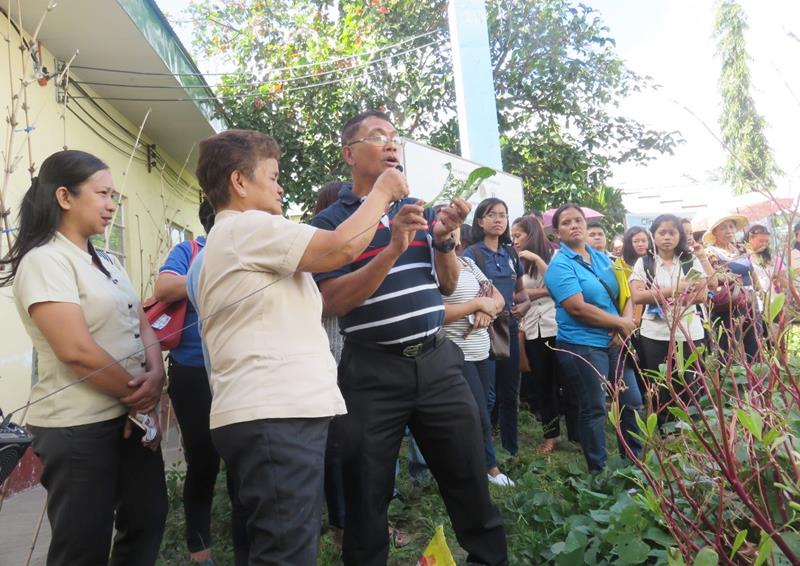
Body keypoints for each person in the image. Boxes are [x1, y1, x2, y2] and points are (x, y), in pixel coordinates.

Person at [194, 128, 409, 565]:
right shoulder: (248, 227)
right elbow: (342, 246)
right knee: (286, 553)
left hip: (271, 414)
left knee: (273, 545)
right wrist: (383, 192)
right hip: (275, 414)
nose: (280, 186)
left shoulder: (237, 237)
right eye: (272, 176)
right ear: (239, 182)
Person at [311, 110, 507, 566]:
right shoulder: (329, 225)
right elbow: (333, 302)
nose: (391, 144)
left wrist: (443, 242)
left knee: (468, 474)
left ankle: (489, 558)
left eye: (395, 137)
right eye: (376, 136)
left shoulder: (417, 207)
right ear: (349, 154)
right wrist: (394, 247)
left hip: (438, 361)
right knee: (367, 490)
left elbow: (445, 283)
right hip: (372, 371)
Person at [2, 150, 167, 565]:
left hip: (128, 416)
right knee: (83, 545)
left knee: (148, 518)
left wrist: (157, 372)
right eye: (103, 194)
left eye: (114, 195)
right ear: (64, 197)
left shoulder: (107, 261)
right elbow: (75, 352)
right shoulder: (45, 261)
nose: (112, 205)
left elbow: (140, 321)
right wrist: (140, 396)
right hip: (78, 427)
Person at [155, 200, 247, 565]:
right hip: (193, 372)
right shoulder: (191, 249)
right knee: (203, 461)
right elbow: (164, 288)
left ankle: (247, 547)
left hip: (240, 370)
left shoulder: (253, 248)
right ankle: (200, 550)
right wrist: (215, 268)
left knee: (243, 462)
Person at [543, 204, 643, 472]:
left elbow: (625, 293)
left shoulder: (601, 258)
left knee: (632, 403)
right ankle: (599, 473)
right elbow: (576, 307)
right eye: (566, 222)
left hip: (615, 342)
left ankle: (635, 465)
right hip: (583, 345)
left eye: (578, 220)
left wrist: (623, 328)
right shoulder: (559, 266)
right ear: (557, 233)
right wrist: (620, 323)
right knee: (595, 408)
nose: (574, 225)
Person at [442, 224, 513, 486]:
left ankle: (475, 463)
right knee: (477, 412)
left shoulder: (468, 263)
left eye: (455, 227)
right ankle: (488, 468)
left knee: (487, 404)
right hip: (455, 350)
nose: (450, 230)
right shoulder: (430, 267)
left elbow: (497, 296)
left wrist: (487, 310)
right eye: (441, 224)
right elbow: (435, 311)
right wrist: (475, 305)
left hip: (482, 348)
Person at [629, 214, 716, 427]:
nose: (667, 237)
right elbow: (638, 296)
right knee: (661, 386)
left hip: (689, 334)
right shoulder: (645, 263)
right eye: (662, 232)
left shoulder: (689, 261)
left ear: (680, 236)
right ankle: (667, 435)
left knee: (691, 385)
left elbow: (701, 295)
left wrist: (657, 294)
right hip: (655, 335)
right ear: (654, 235)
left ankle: (691, 433)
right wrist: (677, 289)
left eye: (672, 232)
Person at [464, 197, 531, 457]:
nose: (498, 220)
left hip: (510, 327)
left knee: (510, 391)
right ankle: (484, 453)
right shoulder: (473, 254)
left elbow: (521, 294)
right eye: (491, 215)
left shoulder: (512, 253)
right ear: (480, 221)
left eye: (502, 215)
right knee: (487, 396)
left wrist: (523, 306)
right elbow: (468, 294)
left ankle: (510, 450)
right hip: (484, 329)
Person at [512, 215, 578, 453]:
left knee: (569, 381)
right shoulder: (515, 260)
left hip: (556, 326)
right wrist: (540, 292)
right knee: (543, 384)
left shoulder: (554, 256)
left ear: (531, 234)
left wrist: (537, 260)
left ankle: (577, 435)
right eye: (513, 237)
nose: (515, 240)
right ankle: (551, 435)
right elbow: (516, 294)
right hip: (532, 329)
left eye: (518, 235)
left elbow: (559, 285)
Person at [702, 212, 759, 359]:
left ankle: (754, 378)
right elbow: (714, 276)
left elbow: (752, 272)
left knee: (753, 341)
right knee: (728, 344)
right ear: (714, 232)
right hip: (729, 301)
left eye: (731, 226)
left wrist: (758, 291)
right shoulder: (710, 252)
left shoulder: (741, 249)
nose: (729, 231)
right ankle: (729, 379)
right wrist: (733, 280)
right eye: (723, 228)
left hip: (750, 299)